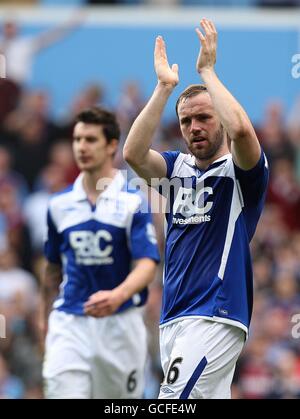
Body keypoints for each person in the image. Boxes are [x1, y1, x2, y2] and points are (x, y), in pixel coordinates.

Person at [123, 18, 269, 399]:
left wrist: (207, 71)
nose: (194, 127)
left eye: (204, 117)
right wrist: (163, 89)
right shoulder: (176, 169)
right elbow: (133, 153)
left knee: (172, 403)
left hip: (214, 314)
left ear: (218, 116)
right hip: (173, 318)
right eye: (186, 121)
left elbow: (240, 131)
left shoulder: (241, 172)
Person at [42, 106, 160, 399]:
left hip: (120, 325)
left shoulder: (133, 202)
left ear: (111, 146)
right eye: (77, 139)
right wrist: (45, 319)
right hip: (70, 323)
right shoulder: (58, 205)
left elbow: (147, 264)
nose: (81, 147)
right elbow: (52, 269)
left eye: (91, 140)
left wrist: (117, 295)